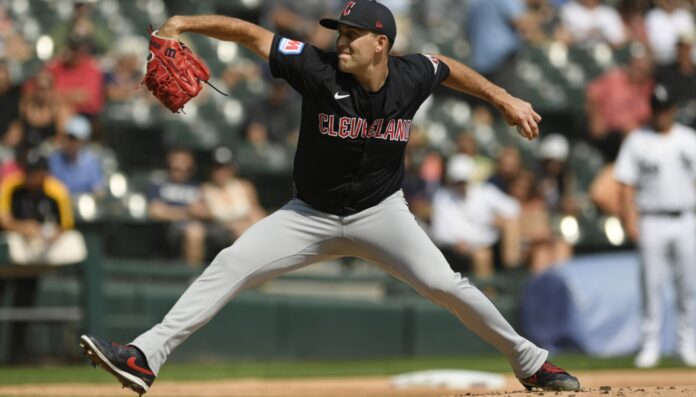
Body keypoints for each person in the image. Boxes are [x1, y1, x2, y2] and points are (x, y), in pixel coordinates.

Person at [79, 2, 580, 394]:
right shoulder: (316, 68)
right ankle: (144, 356)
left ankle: (531, 363)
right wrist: (184, 21)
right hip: (309, 215)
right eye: (340, 32)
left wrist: (505, 99)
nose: (340, 41)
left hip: (381, 213)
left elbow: (447, 66)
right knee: (230, 264)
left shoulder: (410, 76)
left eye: (352, 35)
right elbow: (252, 35)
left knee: (447, 285)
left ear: (380, 43)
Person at [615, 84, 696, 369]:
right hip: (651, 218)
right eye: (657, 109)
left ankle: (686, 343)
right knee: (651, 285)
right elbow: (625, 182)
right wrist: (629, 219)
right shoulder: (638, 140)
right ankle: (650, 345)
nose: (661, 114)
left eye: (665, 109)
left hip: (686, 217)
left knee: (688, 285)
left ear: (673, 110)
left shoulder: (689, 139)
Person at [431, 154, 522, 278]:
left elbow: (513, 207)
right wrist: (455, 242)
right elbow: (439, 232)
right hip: (461, 247)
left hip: (487, 241)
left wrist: (498, 218)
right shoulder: (443, 197)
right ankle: (489, 293)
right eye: (458, 181)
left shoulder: (484, 192)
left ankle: (512, 272)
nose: (461, 184)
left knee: (511, 224)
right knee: (482, 255)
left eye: (463, 180)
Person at [146, 148, 211, 266]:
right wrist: (187, 212)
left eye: (183, 162)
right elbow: (155, 211)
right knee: (194, 231)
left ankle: (194, 276)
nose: (179, 165)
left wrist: (197, 212)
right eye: (176, 162)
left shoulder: (197, 185)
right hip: (168, 229)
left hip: (198, 227)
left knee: (196, 230)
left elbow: (207, 211)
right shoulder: (159, 183)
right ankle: (192, 277)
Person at [48, 114, 105, 196]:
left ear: (84, 141)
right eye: (68, 137)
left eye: (74, 139)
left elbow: (98, 189)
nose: (70, 142)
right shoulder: (55, 159)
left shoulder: (91, 162)